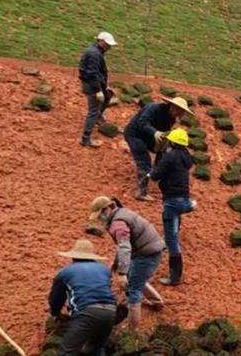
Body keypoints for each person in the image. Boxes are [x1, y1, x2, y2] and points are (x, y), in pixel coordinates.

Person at [89, 196, 166, 329]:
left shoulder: (118, 224)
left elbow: (124, 247)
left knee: (133, 290)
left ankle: (132, 329)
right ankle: (157, 301)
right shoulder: (122, 213)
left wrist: (122, 273)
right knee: (136, 278)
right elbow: (124, 246)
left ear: (107, 209)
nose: (100, 219)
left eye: (100, 214)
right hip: (149, 249)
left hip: (147, 255)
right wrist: (117, 263)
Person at [48, 239, 118, 356]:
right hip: (110, 312)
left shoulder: (65, 272)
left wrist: (55, 313)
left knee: (67, 352)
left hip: (87, 313)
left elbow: (56, 297)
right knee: (95, 349)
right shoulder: (104, 269)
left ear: (73, 256)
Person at [147, 128, 197, 286]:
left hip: (172, 201)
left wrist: (149, 175)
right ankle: (189, 206)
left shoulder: (170, 156)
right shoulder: (186, 157)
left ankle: (175, 276)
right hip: (183, 199)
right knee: (175, 226)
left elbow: (156, 174)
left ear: (172, 142)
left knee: (171, 240)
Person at [123, 97, 194, 200]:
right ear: (173, 106)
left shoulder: (171, 119)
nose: (180, 114)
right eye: (179, 111)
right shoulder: (153, 108)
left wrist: (163, 144)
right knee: (144, 160)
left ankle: (158, 173)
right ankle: (141, 192)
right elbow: (142, 122)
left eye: (182, 112)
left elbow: (163, 134)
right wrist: (154, 132)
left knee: (163, 151)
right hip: (135, 135)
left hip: (149, 137)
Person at [78, 32, 116, 148]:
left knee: (108, 96)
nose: (109, 47)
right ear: (100, 41)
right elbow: (92, 74)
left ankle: (98, 117)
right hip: (92, 85)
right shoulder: (94, 54)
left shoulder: (96, 51)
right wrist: (98, 90)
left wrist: (103, 87)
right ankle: (85, 139)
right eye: (107, 44)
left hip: (95, 83)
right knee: (93, 111)